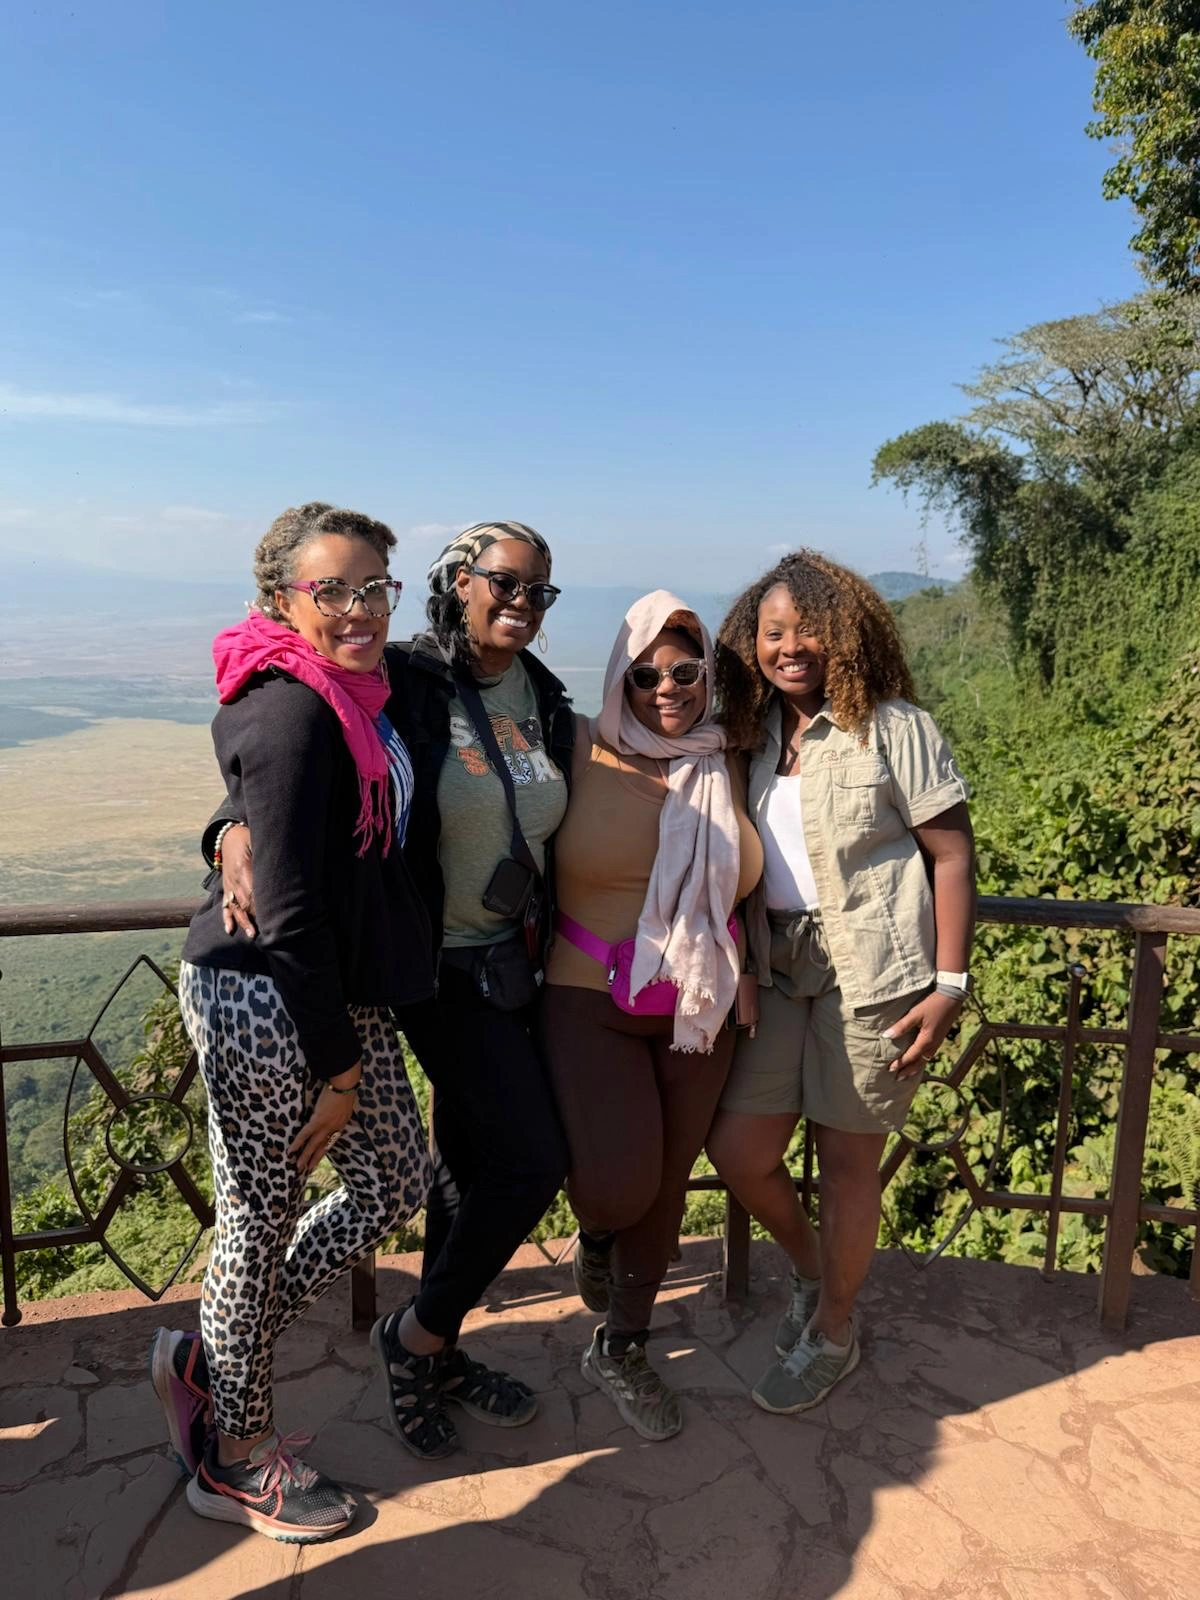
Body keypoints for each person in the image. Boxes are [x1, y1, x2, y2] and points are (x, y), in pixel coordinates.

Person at [213, 522, 572, 1460]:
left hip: (516, 965)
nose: (522, 602)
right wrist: (227, 828)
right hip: (427, 969)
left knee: (464, 1163)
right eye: (504, 582)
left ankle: (436, 1344)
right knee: (532, 1159)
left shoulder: (551, 700)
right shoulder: (407, 678)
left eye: (540, 589)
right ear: (457, 584)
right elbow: (289, 753)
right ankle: (409, 1339)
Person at [149, 502, 434, 1542]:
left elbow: (281, 831)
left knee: (396, 1176)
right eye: (333, 591)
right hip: (269, 992)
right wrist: (340, 1067)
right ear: (282, 599)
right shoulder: (291, 710)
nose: (359, 610)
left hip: (334, 986)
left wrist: (227, 822)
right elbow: (293, 907)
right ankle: (235, 1456)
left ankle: (217, 1362)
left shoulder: (362, 694)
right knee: (258, 1218)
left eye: (374, 588)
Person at [706, 550, 975, 1414]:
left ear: (845, 632)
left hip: (877, 971)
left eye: (807, 628)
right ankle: (815, 1273)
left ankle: (834, 1329)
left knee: (851, 1165)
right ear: (752, 642)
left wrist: (950, 985)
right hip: (777, 968)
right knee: (741, 1150)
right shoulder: (751, 735)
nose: (790, 647)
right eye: (772, 632)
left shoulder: (894, 727)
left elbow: (953, 855)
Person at [540, 591, 763, 1440]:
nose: (665, 688)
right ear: (618, 679)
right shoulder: (578, 749)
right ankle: (597, 1231)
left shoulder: (727, 756)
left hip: (699, 1004)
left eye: (685, 670)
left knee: (668, 1187)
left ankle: (622, 1344)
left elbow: (740, 878)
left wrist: (748, 956)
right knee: (618, 1183)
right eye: (644, 675)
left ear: (709, 674)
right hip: (587, 995)